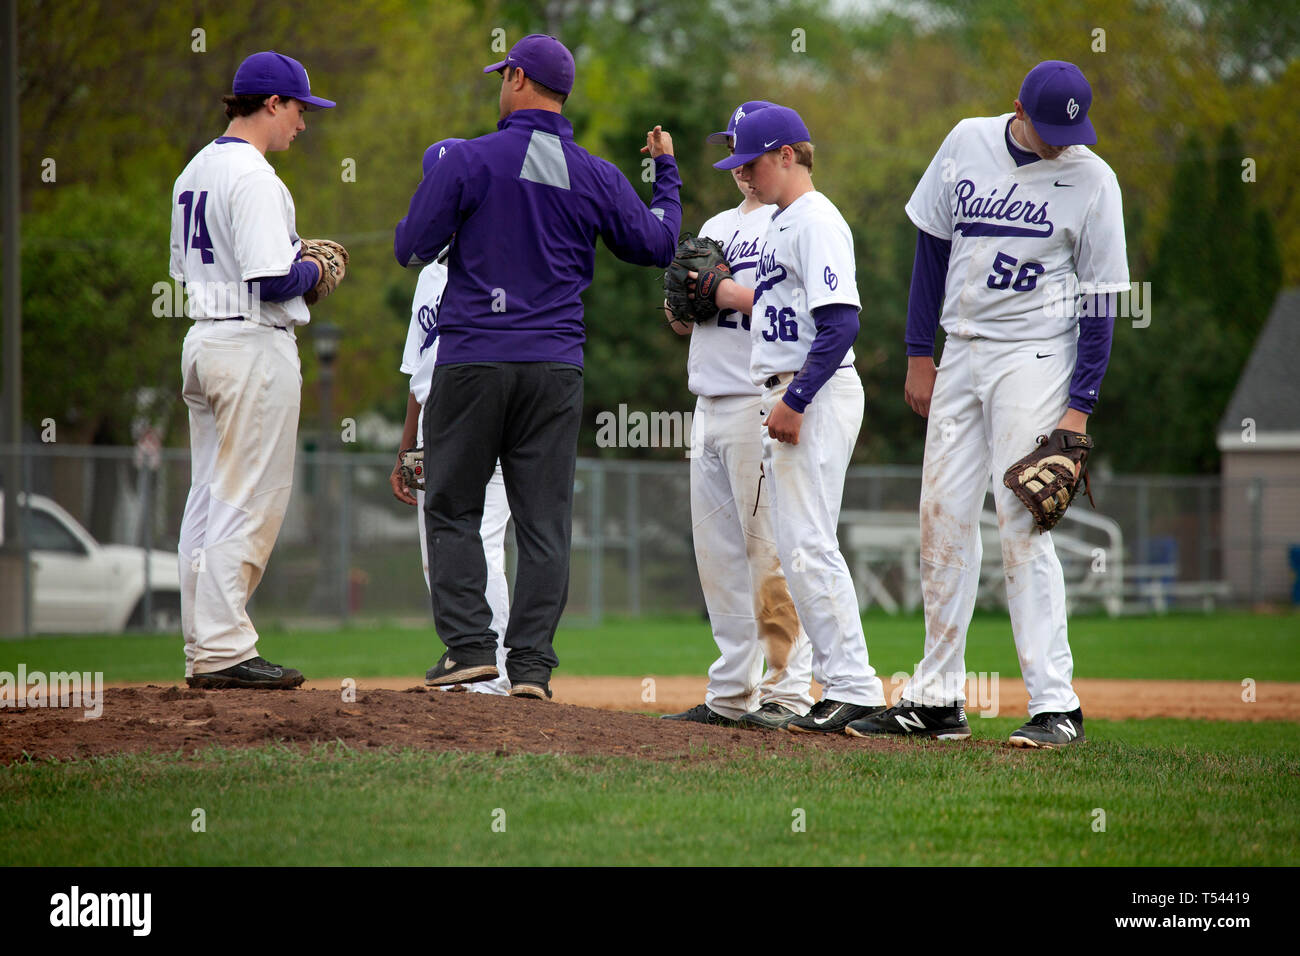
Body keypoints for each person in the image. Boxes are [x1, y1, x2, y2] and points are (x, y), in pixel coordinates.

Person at [845, 60, 1129, 747]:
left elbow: (1100, 305)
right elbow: (931, 248)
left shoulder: (1093, 180)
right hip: (962, 350)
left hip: (1034, 356)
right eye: (1050, 128)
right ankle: (938, 699)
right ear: (1017, 109)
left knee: (1022, 521)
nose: (1064, 141)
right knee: (940, 518)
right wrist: (919, 352)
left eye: (1073, 130)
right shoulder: (966, 141)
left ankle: (1056, 705)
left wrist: (1079, 407)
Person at [393, 34, 681, 700]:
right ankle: (530, 671)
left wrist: (452, 202)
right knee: (543, 524)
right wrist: (666, 176)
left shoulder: (470, 159)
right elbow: (658, 243)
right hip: (554, 365)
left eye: (504, 75)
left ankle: (468, 649)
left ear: (518, 78)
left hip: (472, 360)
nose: (500, 83)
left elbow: (411, 248)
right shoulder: (594, 172)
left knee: (453, 508)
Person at [708, 104, 888, 734]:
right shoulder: (784, 223)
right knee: (796, 545)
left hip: (815, 392)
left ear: (787, 155)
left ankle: (855, 687)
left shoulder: (816, 220)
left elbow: (842, 322)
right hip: (787, 391)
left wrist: (796, 399)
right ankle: (846, 685)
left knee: (808, 544)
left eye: (753, 163)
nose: (746, 176)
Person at [171, 51, 339, 689]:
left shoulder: (195, 170)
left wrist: (294, 260)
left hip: (203, 341)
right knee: (249, 498)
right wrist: (314, 269)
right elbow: (270, 279)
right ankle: (224, 649)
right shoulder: (256, 176)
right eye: (299, 109)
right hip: (249, 347)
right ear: (272, 103)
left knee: (208, 501)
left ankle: (203, 644)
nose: (303, 122)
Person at [660, 101, 815, 731]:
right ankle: (730, 694)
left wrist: (723, 291)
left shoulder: (797, 220)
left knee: (768, 553)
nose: (738, 165)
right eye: (730, 148)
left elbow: (803, 305)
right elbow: (682, 320)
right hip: (710, 402)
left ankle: (787, 693)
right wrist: (683, 299)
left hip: (762, 401)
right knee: (718, 558)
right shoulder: (718, 224)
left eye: (745, 150)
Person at [388, 140, 512, 696]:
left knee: (480, 541)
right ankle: (467, 661)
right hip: (439, 418)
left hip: (487, 415)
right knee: (440, 552)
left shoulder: (503, 262)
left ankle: (495, 673)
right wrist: (405, 443)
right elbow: (417, 370)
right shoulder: (431, 274)